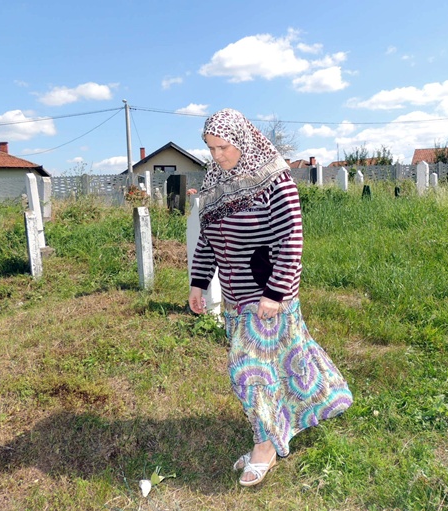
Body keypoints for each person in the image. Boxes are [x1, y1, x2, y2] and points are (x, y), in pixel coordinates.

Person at [188, 108, 353, 487]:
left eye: (224, 147)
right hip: (234, 299)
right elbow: (208, 241)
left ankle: (264, 447)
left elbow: (291, 238)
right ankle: (318, 403)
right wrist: (198, 283)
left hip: (267, 295)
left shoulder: (274, 179)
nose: (218, 156)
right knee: (288, 358)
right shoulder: (215, 186)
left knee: (248, 371)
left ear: (243, 140)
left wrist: (275, 291)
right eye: (211, 149)